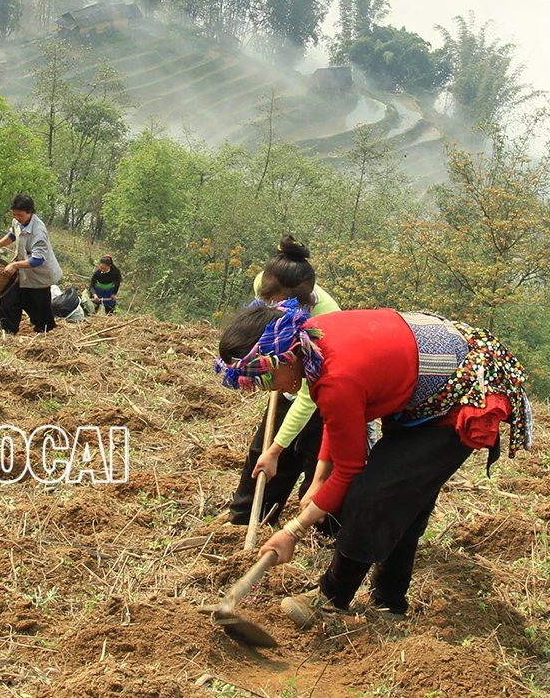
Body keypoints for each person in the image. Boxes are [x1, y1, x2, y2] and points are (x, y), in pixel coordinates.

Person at [215, 300, 533, 626]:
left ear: (284, 356)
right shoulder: (312, 346)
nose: (268, 389)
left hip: (463, 392)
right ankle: (390, 603)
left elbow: (349, 465)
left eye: (265, 379)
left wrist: (293, 531)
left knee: (372, 494)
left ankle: (331, 598)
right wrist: (318, 480)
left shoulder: (336, 373)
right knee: (404, 497)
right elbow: (338, 423)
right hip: (424, 389)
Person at [224, 236, 336, 527]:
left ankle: (318, 532)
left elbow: (310, 397)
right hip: (289, 378)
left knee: (315, 463)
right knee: (262, 455)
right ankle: (246, 520)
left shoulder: (325, 321)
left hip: (324, 394)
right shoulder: (265, 284)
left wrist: (277, 448)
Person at [0, 194, 62, 334]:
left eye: (20, 215)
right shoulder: (17, 221)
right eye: (14, 214)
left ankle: (45, 330)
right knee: (8, 298)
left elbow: (38, 259)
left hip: (39, 276)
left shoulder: (38, 231)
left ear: (30, 212)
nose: (17, 218)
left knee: (38, 308)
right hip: (23, 272)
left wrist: (15, 265)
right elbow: (12, 235)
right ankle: (5, 331)